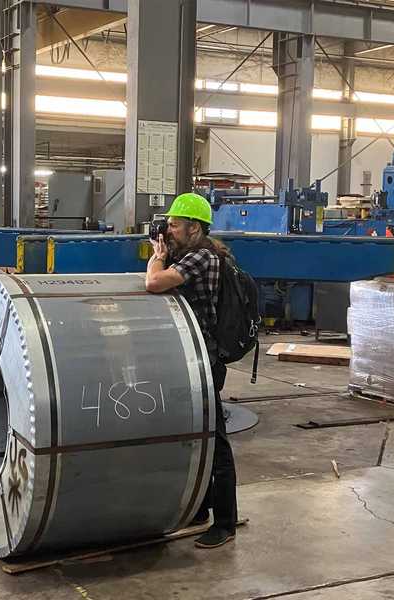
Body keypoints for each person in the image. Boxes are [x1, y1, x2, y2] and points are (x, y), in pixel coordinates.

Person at [145, 192, 238, 549]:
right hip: (191, 356)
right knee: (195, 433)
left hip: (206, 360)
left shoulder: (203, 257)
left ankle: (225, 522)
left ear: (193, 228)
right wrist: (163, 255)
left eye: (173, 224)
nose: (168, 230)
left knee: (216, 441)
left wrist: (157, 257)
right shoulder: (190, 254)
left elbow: (153, 283)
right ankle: (201, 508)